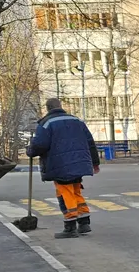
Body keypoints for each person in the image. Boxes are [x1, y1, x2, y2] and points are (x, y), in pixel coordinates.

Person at [26, 98, 100, 238]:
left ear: (48, 108)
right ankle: (84, 222)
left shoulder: (46, 123)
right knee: (76, 191)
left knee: (65, 193)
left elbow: (40, 144)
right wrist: (95, 163)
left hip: (60, 165)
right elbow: (90, 142)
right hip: (79, 163)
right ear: (60, 106)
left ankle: (70, 227)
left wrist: (30, 151)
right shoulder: (76, 120)